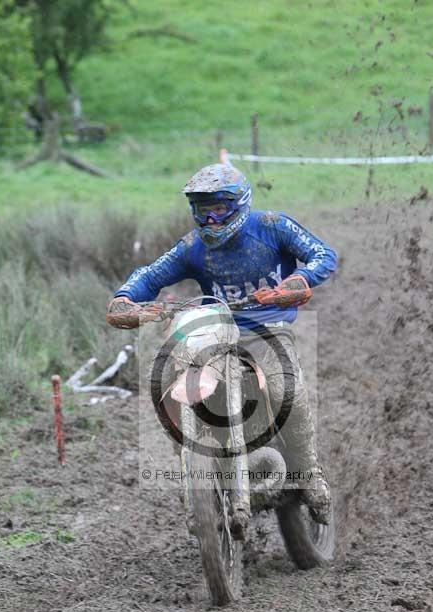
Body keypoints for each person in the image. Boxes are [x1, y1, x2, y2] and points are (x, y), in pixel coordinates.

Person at [107, 163, 337, 523]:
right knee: (171, 384)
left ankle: (309, 475)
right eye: (203, 209)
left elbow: (323, 254)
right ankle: (199, 474)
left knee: (285, 390)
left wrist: (298, 280)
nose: (211, 218)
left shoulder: (272, 227)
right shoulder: (192, 247)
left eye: (220, 208)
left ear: (240, 203)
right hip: (217, 331)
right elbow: (150, 275)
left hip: (268, 330)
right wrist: (126, 298)